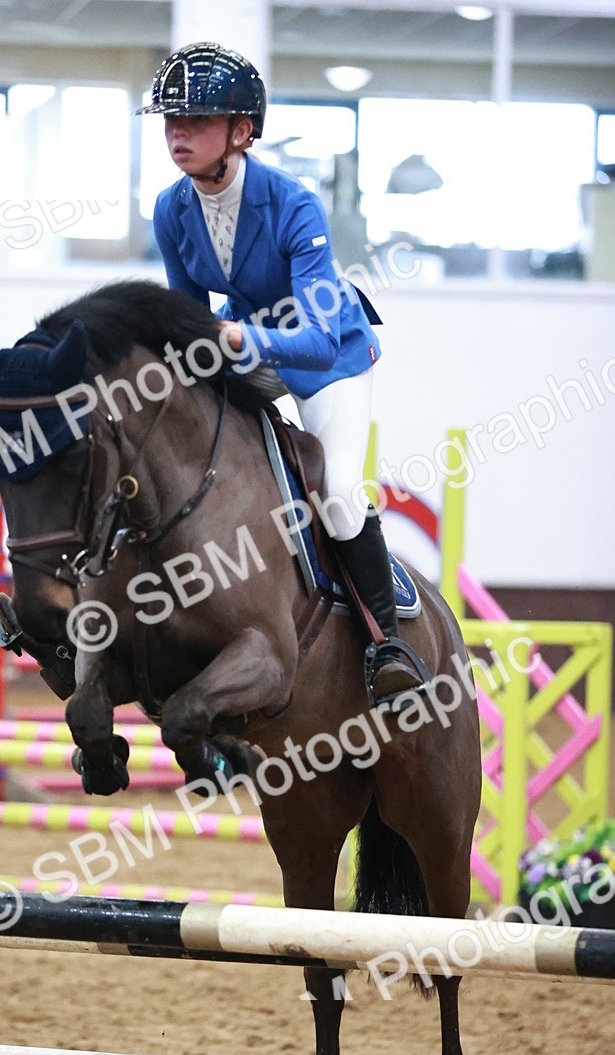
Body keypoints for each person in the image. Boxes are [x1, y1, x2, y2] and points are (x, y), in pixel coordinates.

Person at [137, 41, 427, 704]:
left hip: (330, 365)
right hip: (253, 358)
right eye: (170, 121)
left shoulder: (295, 206)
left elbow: (320, 343)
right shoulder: (170, 208)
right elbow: (190, 312)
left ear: (241, 132)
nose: (178, 134)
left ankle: (389, 648)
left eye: (196, 121)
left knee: (339, 493)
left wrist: (240, 335)